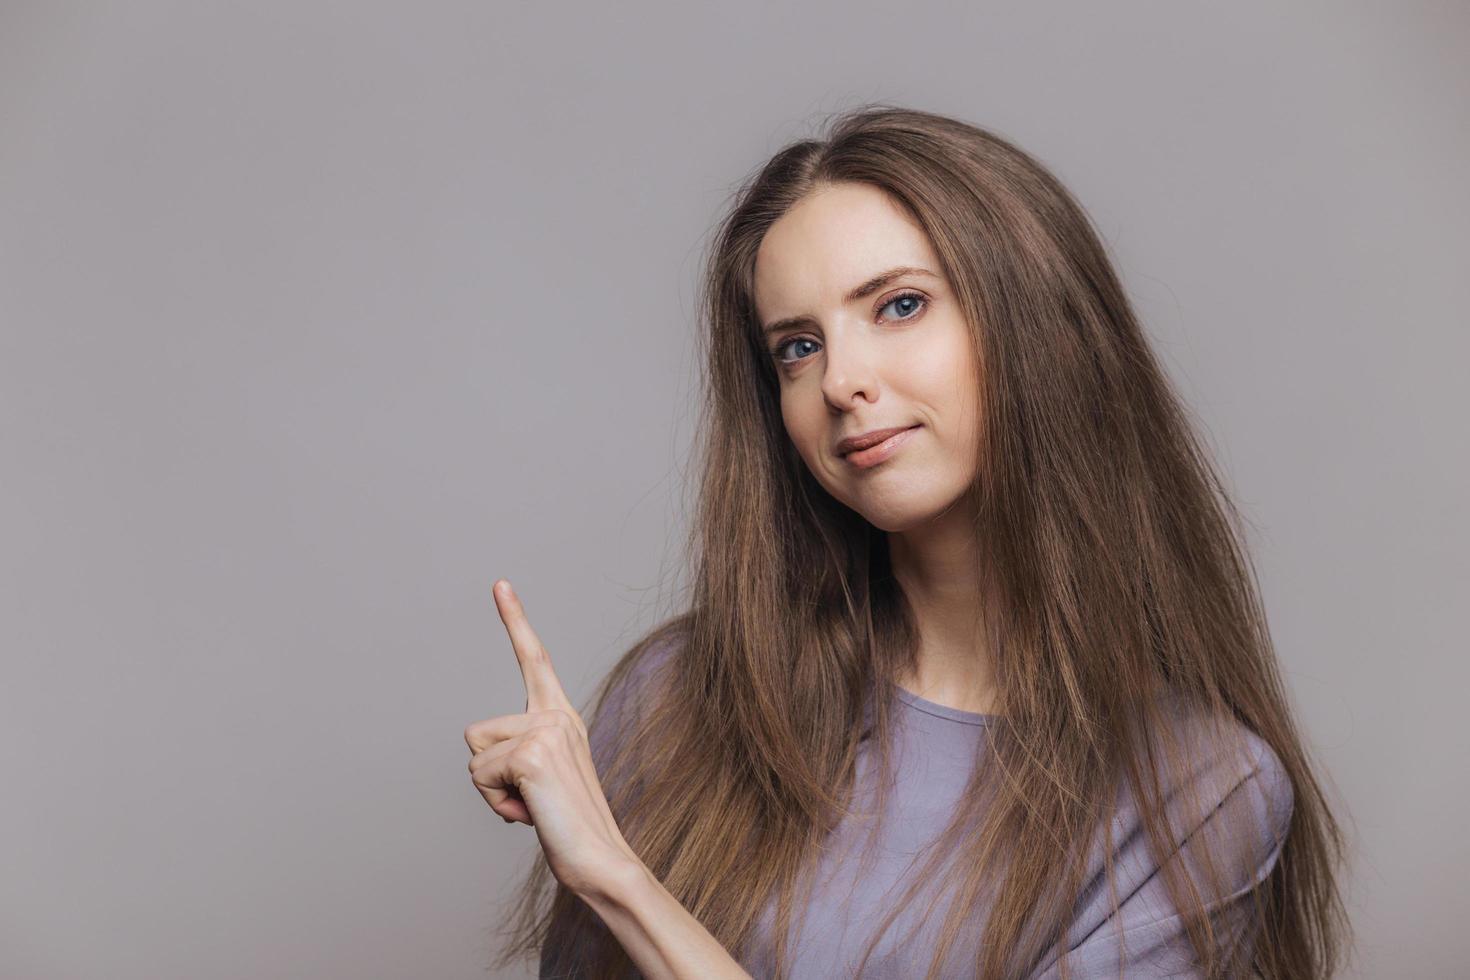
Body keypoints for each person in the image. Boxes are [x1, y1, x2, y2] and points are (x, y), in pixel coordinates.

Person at [470, 104, 1353, 979]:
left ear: (1038, 325)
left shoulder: (1200, 794)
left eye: (898, 306)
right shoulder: (678, 698)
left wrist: (621, 883)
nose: (842, 382)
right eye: (798, 348)